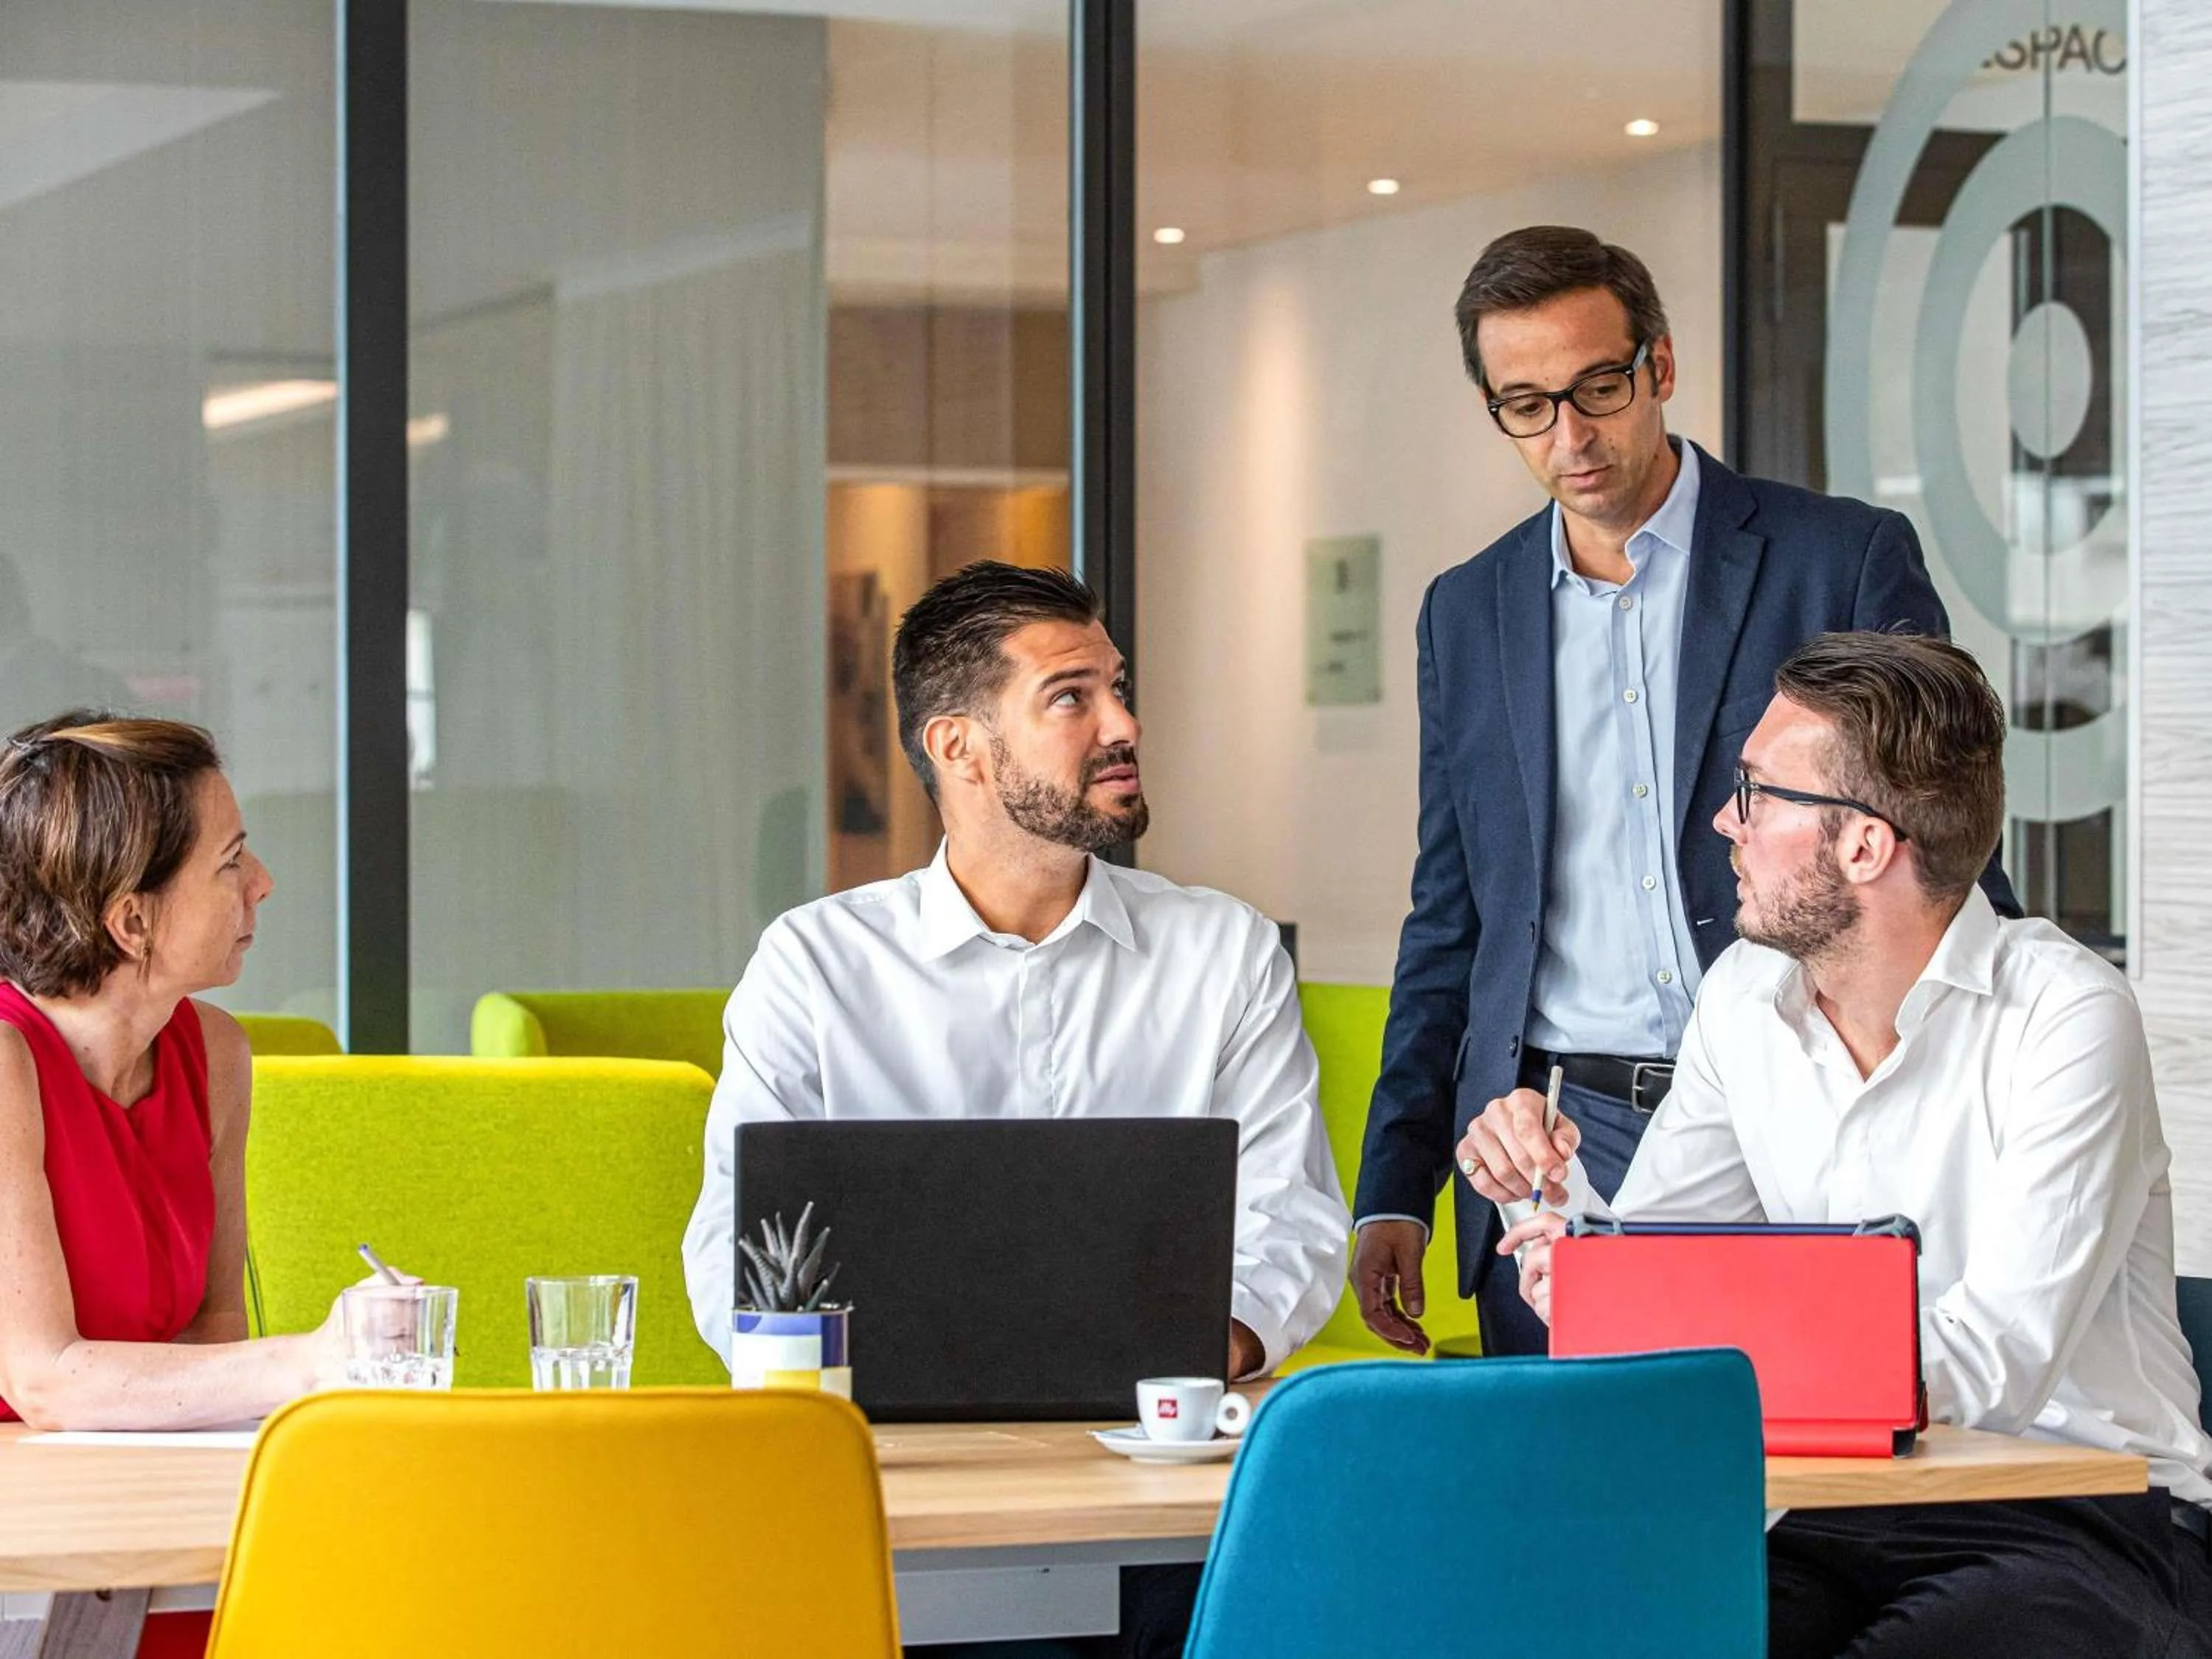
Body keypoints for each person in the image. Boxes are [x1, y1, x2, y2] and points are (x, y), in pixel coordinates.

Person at [1461, 633, 2212, 1658]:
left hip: (2078, 1502)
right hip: (1828, 1505)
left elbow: (1998, 1363)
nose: (1726, 820)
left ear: (1863, 845)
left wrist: (1715, 1335)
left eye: (1760, 792)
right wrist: (1552, 1207)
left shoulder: (2068, 1013)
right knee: (1605, 1629)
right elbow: (1652, 1272)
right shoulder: (1741, 995)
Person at [1352, 224, 2017, 1359]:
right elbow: (1452, 913)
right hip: (1560, 1138)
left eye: (1597, 387)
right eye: (1526, 404)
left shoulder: (1837, 559)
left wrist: (2006, 1064)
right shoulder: (1467, 613)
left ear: (1659, 367)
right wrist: (1395, 1186)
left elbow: (1937, 834)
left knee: (1826, 1453)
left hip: (1797, 1100)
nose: (1571, 435)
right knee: (1594, 1508)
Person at [681, 560, 1349, 1659]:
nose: (1123, 722)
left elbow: (1293, 1221)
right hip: (899, 1495)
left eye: (1117, 685)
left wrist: (1194, 1349)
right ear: (959, 747)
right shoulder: (815, 965)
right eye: (1071, 697)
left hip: (1166, 1490)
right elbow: (732, 1257)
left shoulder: (1223, 950)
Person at [0, 713, 387, 1430]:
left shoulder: (214, 1052)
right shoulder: (4, 1062)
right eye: (230, 861)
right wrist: (315, 1360)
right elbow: (42, 1381)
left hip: (132, 1475)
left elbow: (214, 1324)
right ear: (132, 921)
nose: (262, 883)